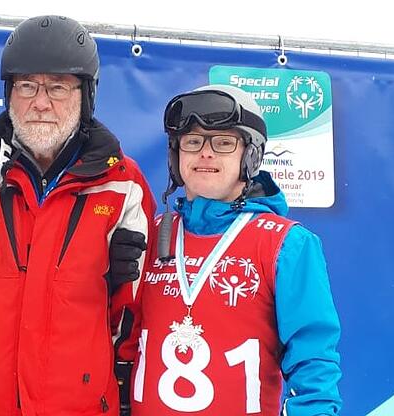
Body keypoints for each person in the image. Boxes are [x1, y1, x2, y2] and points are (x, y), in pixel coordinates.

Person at [0, 15, 155, 415]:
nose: (41, 102)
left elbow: (134, 311)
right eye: (27, 86)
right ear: (9, 95)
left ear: (86, 96)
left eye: (59, 87)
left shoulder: (122, 187)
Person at [117, 84, 342, 415]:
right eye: (192, 142)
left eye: (224, 142)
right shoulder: (150, 235)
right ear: (175, 155)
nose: (205, 153)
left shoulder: (287, 244)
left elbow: (314, 365)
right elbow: (123, 341)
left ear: (250, 156)